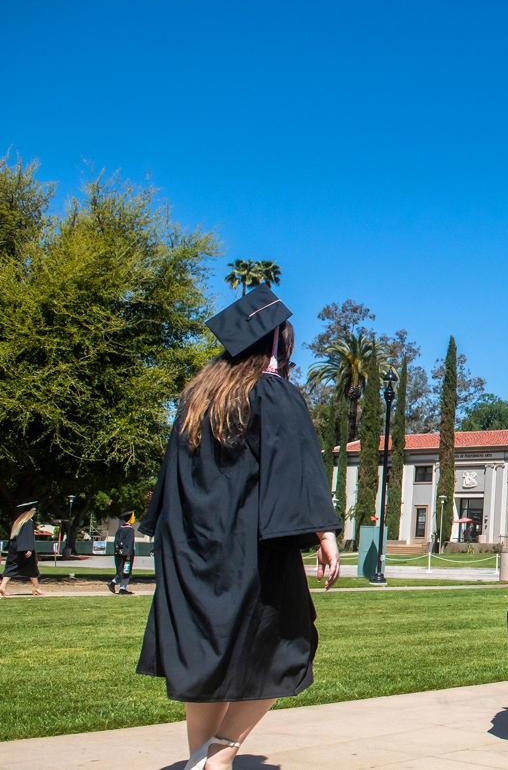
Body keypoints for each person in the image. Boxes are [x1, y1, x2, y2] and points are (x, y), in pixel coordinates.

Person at [137, 287, 342, 770]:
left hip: (193, 549)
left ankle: (196, 759)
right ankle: (222, 751)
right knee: (292, 644)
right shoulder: (271, 392)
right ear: (277, 345)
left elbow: (170, 480)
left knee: (207, 654)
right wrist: (323, 532)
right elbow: (295, 465)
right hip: (251, 551)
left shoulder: (197, 399)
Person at [2, 501, 42, 597]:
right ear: (31, 511)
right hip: (24, 547)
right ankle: (36, 588)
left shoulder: (18, 521)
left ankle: (2, 586)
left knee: (12, 566)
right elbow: (26, 536)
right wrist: (28, 548)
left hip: (15, 546)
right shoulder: (28, 521)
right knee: (31, 566)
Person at [109, 512, 137, 595]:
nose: (134, 518)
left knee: (122, 570)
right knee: (126, 571)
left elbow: (116, 542)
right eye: (133, 517)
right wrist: (128, 554)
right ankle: (119, 586)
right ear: (130, 518)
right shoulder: (130, 529)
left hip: (119, 553)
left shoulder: (120, 528)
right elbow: (129, 543)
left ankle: (118, 586)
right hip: (127, 554)